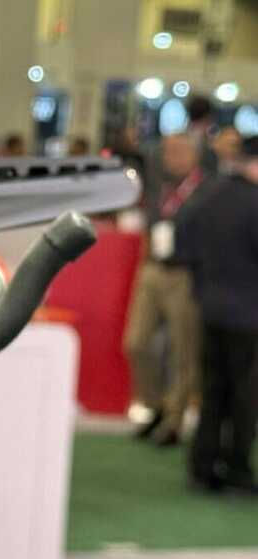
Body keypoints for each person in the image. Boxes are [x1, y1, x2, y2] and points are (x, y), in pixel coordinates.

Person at [124, 134, 208, 446]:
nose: (172, 157)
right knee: (136, 342)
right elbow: (151, 225)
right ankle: (154, 404)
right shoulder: (159, 185)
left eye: (179, 151)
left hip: (186, 274)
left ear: (194, 155)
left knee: (182, 351)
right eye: (168, 151)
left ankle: (174, 418)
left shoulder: (205, 191)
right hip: (153, 269)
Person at [186, 136, 258, 493]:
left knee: (213, 390)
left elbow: (184, 235)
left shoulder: (211, 193)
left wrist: (202, 286)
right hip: (248, 314)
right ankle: (237, 469)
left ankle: (203, 466)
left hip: (211, 308)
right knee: (245, 396)